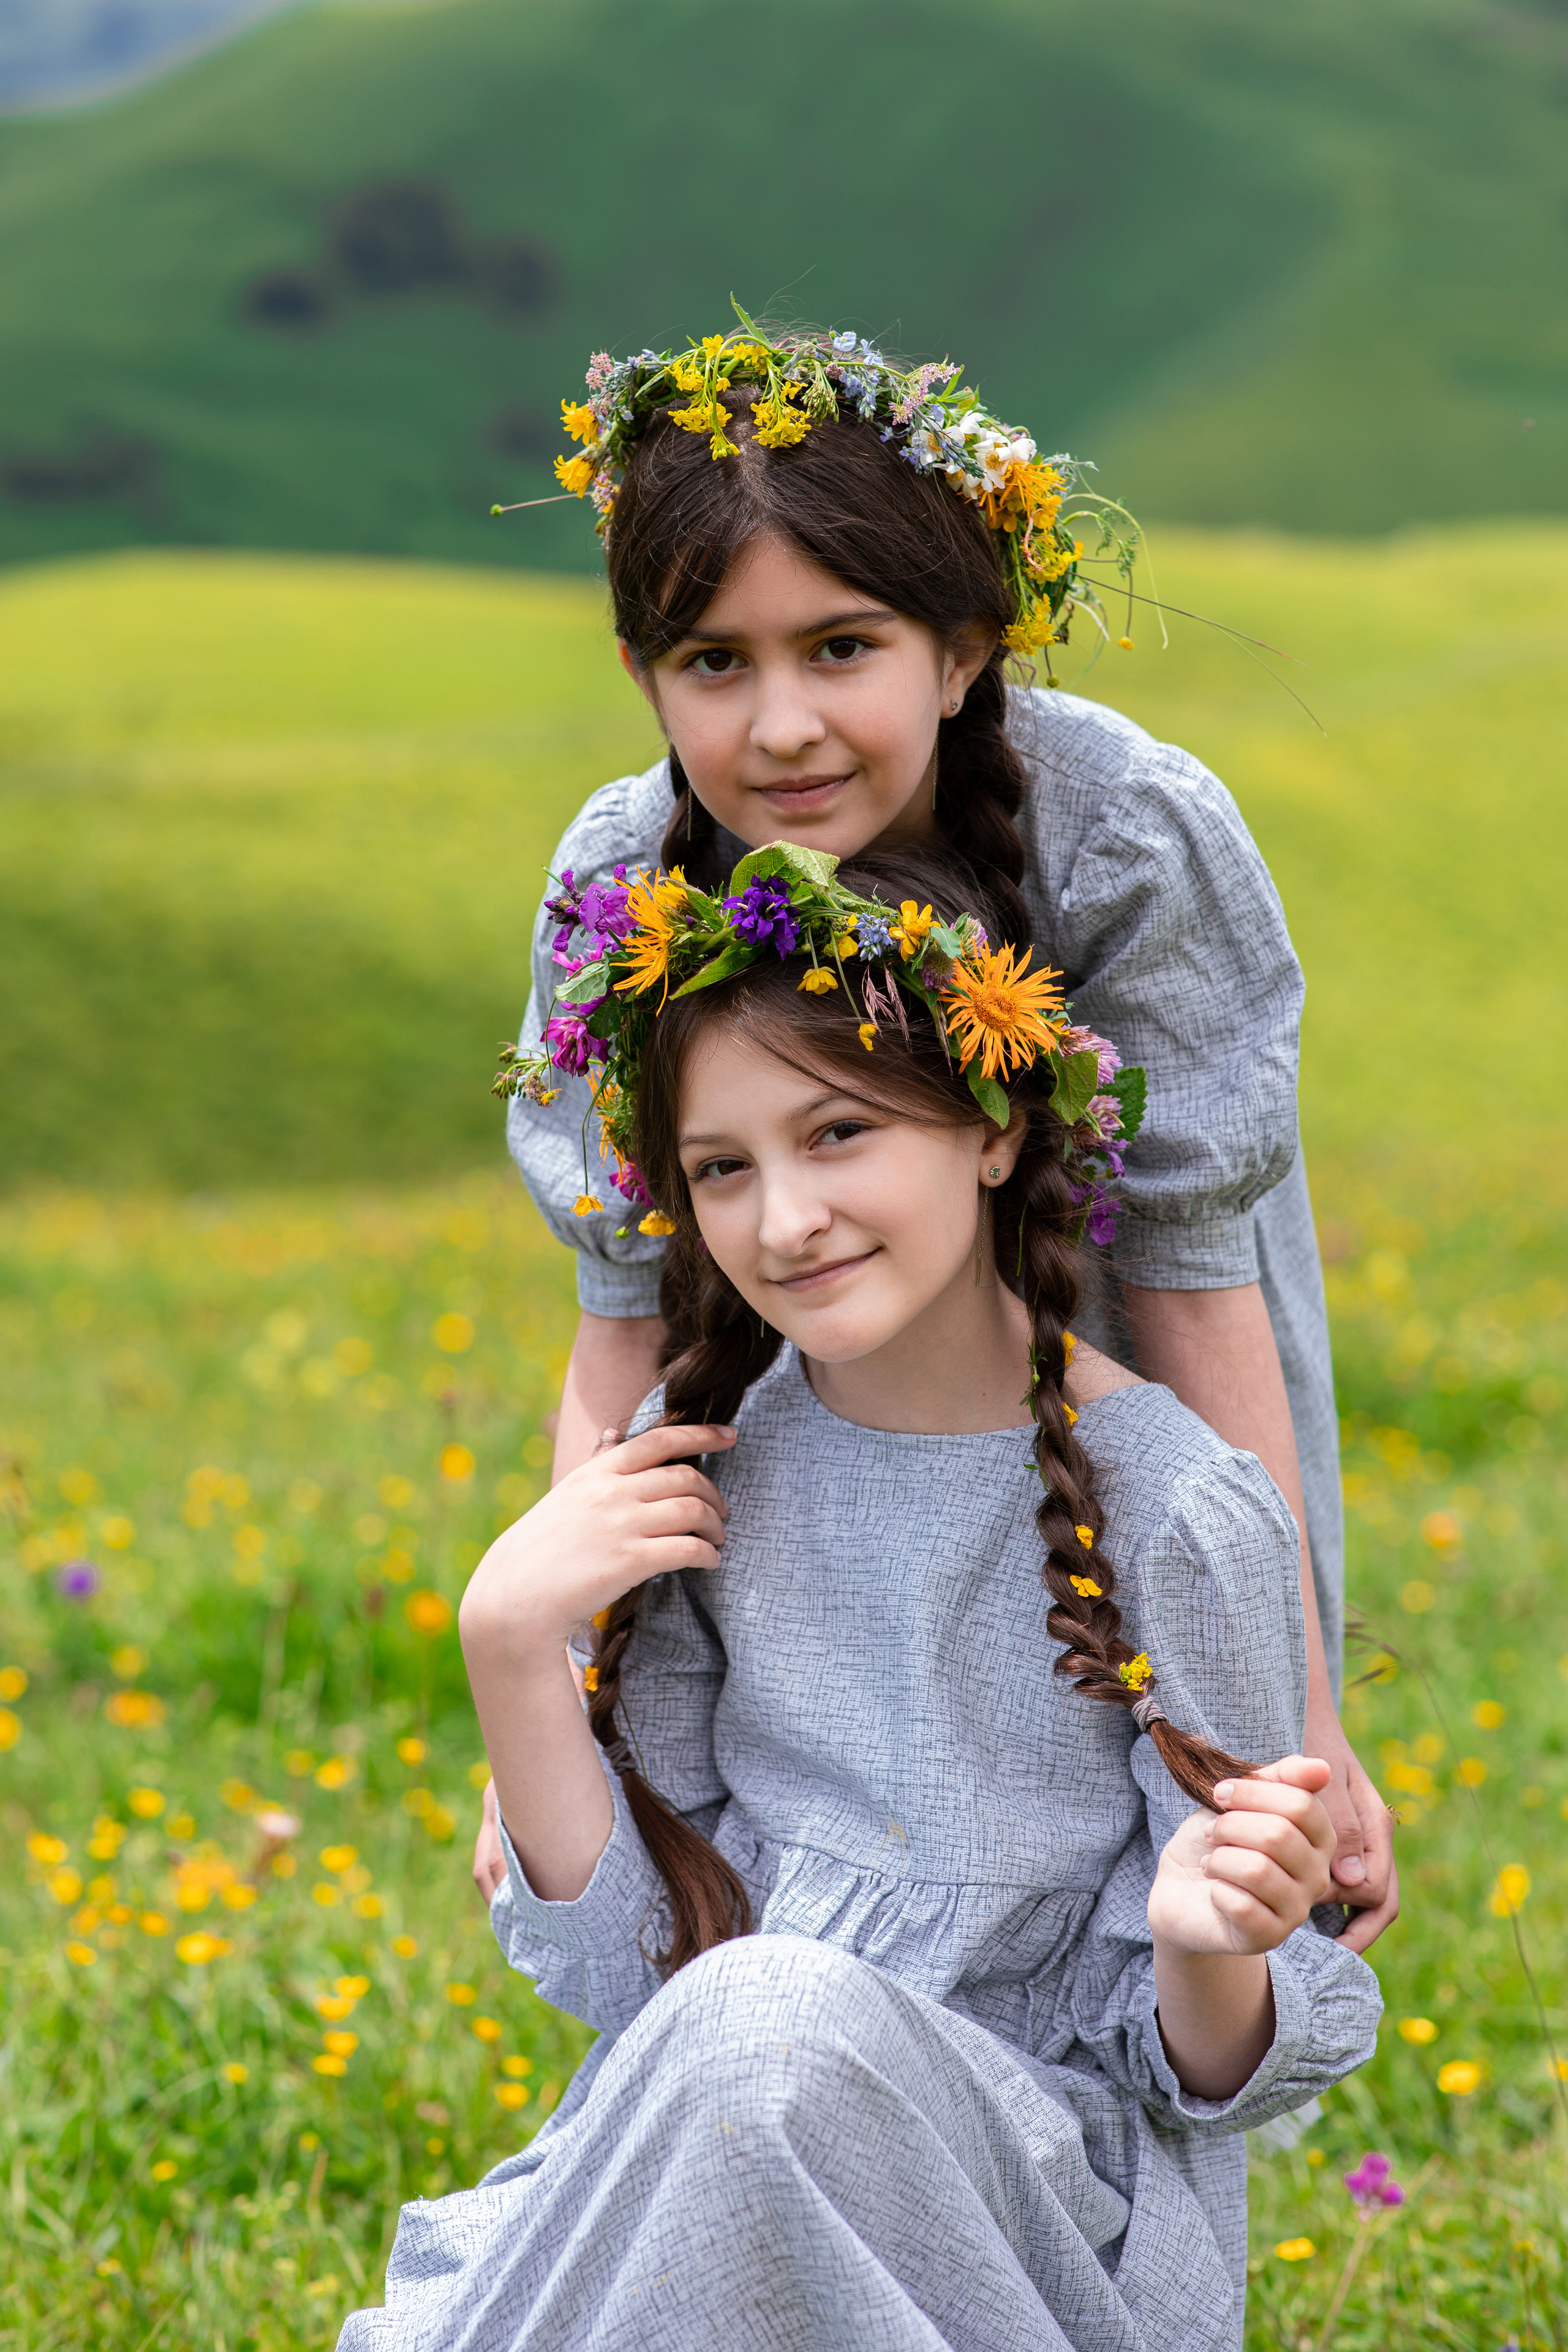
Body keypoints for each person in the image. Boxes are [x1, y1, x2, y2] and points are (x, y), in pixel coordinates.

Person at [341, 848, 1381, 2352]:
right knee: (754, 2027)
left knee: (773, 2023)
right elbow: (637, 1985)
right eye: (721, 1169)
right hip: (729, 2148)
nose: (782, 1222)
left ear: (990, 1127)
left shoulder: (1173, 1506)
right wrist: (509, 1648)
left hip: (1031, 2231)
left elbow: (1203, 2072)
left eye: (838, 1132)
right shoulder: (700, 1468)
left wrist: (1202, 1941)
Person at [495, 322, 1396, 1947]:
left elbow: (1194, 1272)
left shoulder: (1121, 836)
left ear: (966, 648)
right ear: (644, 674)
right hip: (794, 1474)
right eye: (716, 662)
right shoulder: (621, 871)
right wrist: (561, 1706)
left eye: (841, 648)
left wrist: (1298, 1732)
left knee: (1152, 1892)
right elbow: (620, 1309)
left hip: (1105, 1421)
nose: (780, 729)